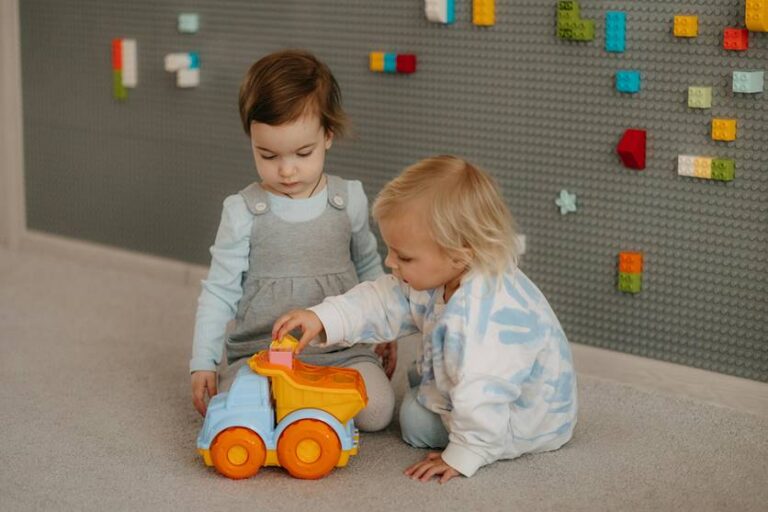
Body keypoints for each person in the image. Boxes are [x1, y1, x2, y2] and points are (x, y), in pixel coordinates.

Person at [272, 155, 578, 483]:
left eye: (404, 257)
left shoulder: (481, 319)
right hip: (477, 380)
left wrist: (465, 453)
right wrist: (323, 318)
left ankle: (463, 425)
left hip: (524, 419)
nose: (390, 262)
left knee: (414, 419)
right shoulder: (445, 272)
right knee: (424, 381)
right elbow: (381, 301)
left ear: (459, 253)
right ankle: (440, 386)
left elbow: (483, 391)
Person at [190, 49, 396, 432]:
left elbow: (370, 268)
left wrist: (384, 328)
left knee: (378, 412)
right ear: (252, 140)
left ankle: (307, 408)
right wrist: (203, 360)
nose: (286, 171)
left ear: (328, 136)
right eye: (268, 155)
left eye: (303, 153)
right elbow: (219, 291)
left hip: (341, 347)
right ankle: (305, 409)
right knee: (246, 414)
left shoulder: (347, 198)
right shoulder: (243, 210)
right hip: (263, 351)